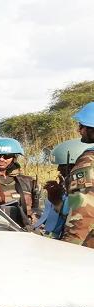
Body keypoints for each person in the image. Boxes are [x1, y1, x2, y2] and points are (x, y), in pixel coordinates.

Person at [36, 138, 91, 238]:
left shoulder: (86, 191)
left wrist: (57, 201)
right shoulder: (66, 188)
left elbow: (77, 218)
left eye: (62, 165)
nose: (58, 169)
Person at [61, 102, 94, 248]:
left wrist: (69, 247)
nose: (79, 130)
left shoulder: (89, 161)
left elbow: (83, 212)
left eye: (81, 126)